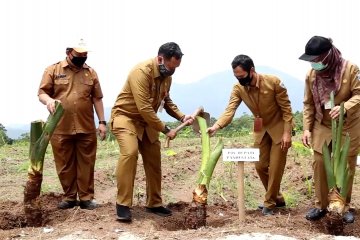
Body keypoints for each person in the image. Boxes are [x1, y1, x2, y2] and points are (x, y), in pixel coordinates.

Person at [110, 42, 194, 222]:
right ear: (160, 58)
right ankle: (123, 204)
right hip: (127, 117)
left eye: (175, 69)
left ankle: (154, 203)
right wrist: (166, 129)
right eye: (170, 67)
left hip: (147, 122)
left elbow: (167, 101)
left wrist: (182, 117)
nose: (172, 72)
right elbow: (144, 108)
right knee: (130, 153)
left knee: (154, 159)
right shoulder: (140, 72)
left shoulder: (167, 76)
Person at [207, 54, 294, 216]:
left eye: (242, 76)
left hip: (279, 128)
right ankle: (278, 198)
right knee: (260, 165)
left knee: (275, 168)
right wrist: (216, 126)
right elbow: (230, 110)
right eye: (236, 77)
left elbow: (287, 110)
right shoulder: (238, 88)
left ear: (252, 70)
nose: (240, 80)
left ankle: (270, 202)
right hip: (260, 129)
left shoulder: (274, 82)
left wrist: (287, 133)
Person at [38, 39, 107, 210]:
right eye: (79, 55)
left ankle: (86, 198)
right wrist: (49, 101)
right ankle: (69, 197)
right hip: (61, 126)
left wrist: (102, 122)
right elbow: (42, 93)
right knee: (64, 164)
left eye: (85, 55)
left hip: (86, 125)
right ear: (68, 53)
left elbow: (97, 98)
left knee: (86, 163)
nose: (82, 57)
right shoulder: (53, 70)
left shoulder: (91, 73)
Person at [299, 36, 360, 223]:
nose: (314, 64)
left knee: (347, 165)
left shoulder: (350, 69)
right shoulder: (311, 75)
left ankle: (343, 205)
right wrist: (307, 129)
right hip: (322, 124)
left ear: (327, 55)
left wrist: (343, 107)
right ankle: (321, 205)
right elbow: (308, 104)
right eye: (311, 61)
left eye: (316, 60)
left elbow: (359, 94)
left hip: (347, 125)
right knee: (319, 162)